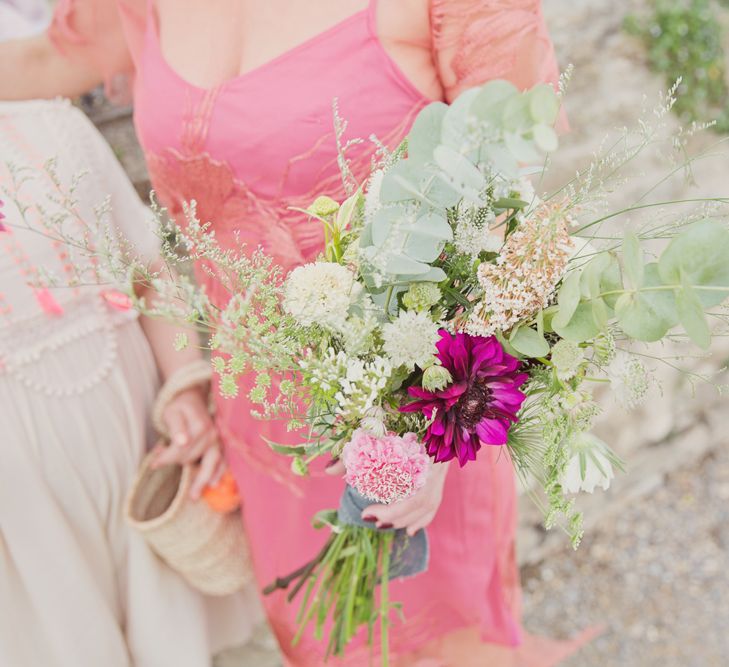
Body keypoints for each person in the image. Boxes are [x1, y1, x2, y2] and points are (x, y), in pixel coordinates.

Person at [0, 1, 587, 664]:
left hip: (413, 405)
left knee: (436, 644)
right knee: (319, 642)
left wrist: (425, 429)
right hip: (261, 421)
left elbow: (509, 223)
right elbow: (49, 59)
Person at [0, 97, 259, 667]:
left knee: (168, 637)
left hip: (139, 449)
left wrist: (184, 391)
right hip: (17, 501)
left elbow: (149, 275)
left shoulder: (51, 123)